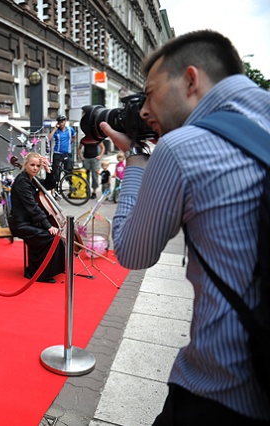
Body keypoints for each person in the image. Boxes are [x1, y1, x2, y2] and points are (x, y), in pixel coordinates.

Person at [104, 30, 270, 424]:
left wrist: (138, 163)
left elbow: (131, 251)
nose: (144, 111)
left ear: (191, 80)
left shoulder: (183, 148)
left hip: (221, 393)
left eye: (150, 93)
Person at [8, 152, 65, 283]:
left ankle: (46, 269)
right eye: (32, 165)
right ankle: (36, 273)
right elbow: (33, 208)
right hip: (20, 224)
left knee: (54, 238)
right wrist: (48, 226)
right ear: (25, 165)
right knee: (50, 238)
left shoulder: (32, 179)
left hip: (30, 222)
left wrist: (48, 170)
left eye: (38, 166)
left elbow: (50, 185)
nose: (35, 168)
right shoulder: (22, 182)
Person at [48, 114, 76, 183]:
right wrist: (54, 129)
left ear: (65, 121)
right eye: (59, 122)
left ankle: (70, 186)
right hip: (57, 153)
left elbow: (74, 136)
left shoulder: (70, 129)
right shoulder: (56, 131)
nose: (60, 124)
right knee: (56, 171)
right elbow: (49, 138)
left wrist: (70, 142)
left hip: (67, 153)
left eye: (62, 122)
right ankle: (56, 186)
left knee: (69, 170)